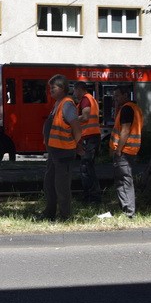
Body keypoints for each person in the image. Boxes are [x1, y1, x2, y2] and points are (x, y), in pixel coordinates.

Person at [42, 74, 82, 222]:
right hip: (55, 152)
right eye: (50, 87)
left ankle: (65, 216)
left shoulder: (67, 104)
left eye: (54, 87)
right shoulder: (58, 104)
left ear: (63, 88)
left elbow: (77, 129)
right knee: (50, 184)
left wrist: (72, 144)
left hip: (63, 153)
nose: (51, 89)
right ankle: (49, 213)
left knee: (62, 187)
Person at [110, 85, 143, 218]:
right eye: (114, 95)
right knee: (124, 180)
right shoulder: (135, 108)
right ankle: (127, 211)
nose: (115, 98)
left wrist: (118, 150)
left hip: (124, 150)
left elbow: (125, 130)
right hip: (131, 149)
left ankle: (129, 212)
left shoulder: (126, 109)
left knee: (124, 181)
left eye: (117, 95)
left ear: (125, 95)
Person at [73, 81, 102, 203]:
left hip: (89, 137)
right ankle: (93, 197)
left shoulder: (85, 99)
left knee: (86, 167)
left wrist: (70, 121)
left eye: (74, 90)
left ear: (79, 89)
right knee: (89, 167)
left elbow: (85, 117)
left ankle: (91, 198)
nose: (74, 93)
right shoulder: (91, 99)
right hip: (91, 136)